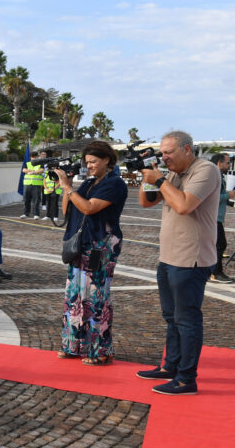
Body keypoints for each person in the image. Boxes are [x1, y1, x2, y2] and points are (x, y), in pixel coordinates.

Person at [136, 131, 222, 395]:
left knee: (187, 320)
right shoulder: (173, 174)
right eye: (162, 153)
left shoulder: (204, 170)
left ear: (187, 149)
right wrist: (147, 177)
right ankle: (170, 366)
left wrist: (160, 178)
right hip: (169, 257)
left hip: (191, 259)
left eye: (169, 152)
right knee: (171, 317)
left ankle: (187, 379)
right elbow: (146, 203)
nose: (164, 157)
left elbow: (184, 205)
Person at [54, 141, 128, 367]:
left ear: (107, 160)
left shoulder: (115, 184)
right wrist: (66, 188)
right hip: (81, 245)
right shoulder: (86, 183)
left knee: (96, 297)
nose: (90, 166)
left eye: (94, 162)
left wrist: (68, 187)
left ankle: (101, 350)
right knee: (75, 295)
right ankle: (73, 345)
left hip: (100, 247)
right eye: (87, 162)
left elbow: (89, 208)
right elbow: (68, 210)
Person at [209, 153, 233, 283]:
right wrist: (229, 195)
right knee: (220, 244)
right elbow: (213, 197)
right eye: (227, 163)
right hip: (213, 217)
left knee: (213, 245)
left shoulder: (215, 175)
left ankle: (210, 271)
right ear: (219, 163)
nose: (229, 166)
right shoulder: (215, 176)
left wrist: (229, 200)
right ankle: (216, 272)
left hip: (214, 217)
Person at [20, 150, 46, 218]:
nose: (33, 158)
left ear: (37, 157)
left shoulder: (40, 163)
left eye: (34, 157)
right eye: (32, 157)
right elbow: (24, 170)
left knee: (36, 200)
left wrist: (33, 172)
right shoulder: (28, 163)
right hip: (27, 184)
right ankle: (25, 214)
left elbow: (42, 170)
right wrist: (33, 171)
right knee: (26, 200)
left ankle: (36, 214)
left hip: (36, 185)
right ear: (30, 157)